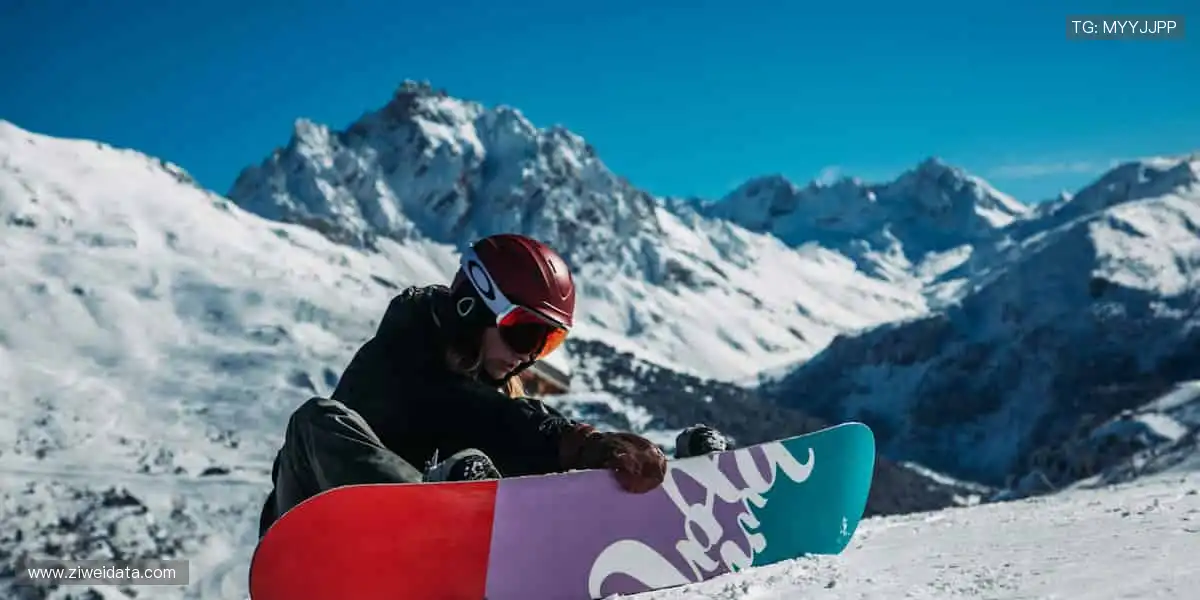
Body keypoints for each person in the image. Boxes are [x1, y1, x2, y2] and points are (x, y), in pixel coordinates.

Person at [257, 233, 730, 538]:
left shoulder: (501, 386)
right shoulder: (400, 353)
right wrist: (573, 442)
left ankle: (664, 506)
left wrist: (613, 460)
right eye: (526, 332)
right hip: (314, 537)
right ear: (473, 309)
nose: (530, 353)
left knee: (503, 464)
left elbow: (508, 427)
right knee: (314, 420)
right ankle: (432, 508)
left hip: (418, 552)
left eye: (549, 340)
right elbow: (459, 406)